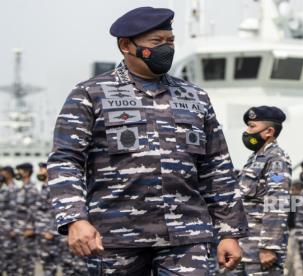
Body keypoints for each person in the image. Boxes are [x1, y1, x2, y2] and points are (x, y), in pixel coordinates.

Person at [47, 6, 248, 275]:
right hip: (115, 236)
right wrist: (74, 219)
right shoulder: (90, 94)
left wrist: (229, 232)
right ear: (126, 45)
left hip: (187, 236)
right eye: (157, 42)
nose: (167, 48)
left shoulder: (195, 97)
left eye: (170, 41)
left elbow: (217, 167)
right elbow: (65, 161)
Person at [234, 106, 291, 275]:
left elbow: (277, 202)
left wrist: (269, 246)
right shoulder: (254, 158)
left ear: (269, 131)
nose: (247, 131)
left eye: (252, 127)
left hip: (260, 251)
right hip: (242, 247)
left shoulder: (276, 159)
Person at [36, 162, 61, 276]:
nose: (39, 172)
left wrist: (50, 231)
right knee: (45, 264)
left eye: (42, 170)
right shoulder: (44, 187)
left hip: (50, 234)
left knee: (51, 264)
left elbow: (55, 211)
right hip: (43, 232)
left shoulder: (53, 188)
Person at [15, 162, 40, 276]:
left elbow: (33, 210)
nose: (17, 173)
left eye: (19, 170)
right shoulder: (23, 188)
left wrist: (31, 228)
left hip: (27, 231)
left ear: (26, 172)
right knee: (21, 261)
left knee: (27, 262)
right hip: (20, 229)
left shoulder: (31, 188)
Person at [0, 166, 18, 275]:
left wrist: (14, 228)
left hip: (7, 229)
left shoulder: (10, 191)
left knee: (9, 258)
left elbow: (15, 211)